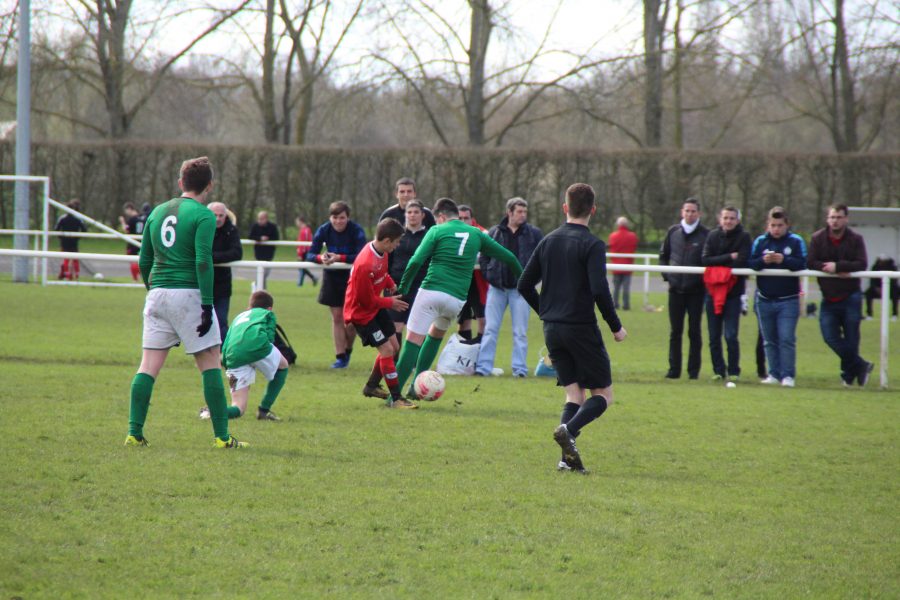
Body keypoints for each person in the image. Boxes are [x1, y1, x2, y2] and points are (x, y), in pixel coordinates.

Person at [125, 156, 246, 449]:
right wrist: (206, 305)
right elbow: (203, 261)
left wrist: (151, 290)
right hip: (188, 294)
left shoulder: (156, 212)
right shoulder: (203, 215)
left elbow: (144, 259)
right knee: (209, 365)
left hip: (157, 293)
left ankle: (134, 432)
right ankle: (222, 437)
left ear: (181, 183)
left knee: (147, 366)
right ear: (209, 185)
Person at [518, 183, 626, 474]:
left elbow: (524, 284)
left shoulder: (549, 240)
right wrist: (615, 326)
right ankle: (567, 430)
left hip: (552, 329)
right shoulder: (592, 244)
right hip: (581, 328)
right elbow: (600, 289)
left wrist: (546, 312)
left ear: (565, 208)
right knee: (603, 395)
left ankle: (566, 460)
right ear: (593, 209)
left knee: (573, 395)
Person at [394, 198, 522, 397]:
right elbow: (510, 258)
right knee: (435, 335)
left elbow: (416, 260)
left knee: (412, 342)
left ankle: (393, 396)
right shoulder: (476, 234)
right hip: (456, 301)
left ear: (442, 217)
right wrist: (524, 283)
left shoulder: (437, 231)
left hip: (431, 291)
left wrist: (403, 287)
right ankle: (415, 389)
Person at [344, 218, 416, 408]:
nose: (398, 245)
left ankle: (372, 386)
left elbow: (382, 274)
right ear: (386, 241)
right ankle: (397, 399)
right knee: (387, 350)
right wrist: (390, 303)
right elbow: (364, 300)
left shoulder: (380, 251)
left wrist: (390, 284)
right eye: (397, 241)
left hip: (375, 308)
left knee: (394, 347)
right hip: (361, 314)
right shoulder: (364, 264)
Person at [475, 197, 543, 378]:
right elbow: (484, 257)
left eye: (525, 212)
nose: (523, 215)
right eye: (519, 211)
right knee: (490, 329)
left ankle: (519, 370)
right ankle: (483, 368)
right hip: (497, 289)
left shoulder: (534, 234)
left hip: (521, 292)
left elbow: (542, 260)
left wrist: (530, 282)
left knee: (520, 332)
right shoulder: (494, 232)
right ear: (509, 212)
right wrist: (489, 275)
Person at [807, 203, 873, 386]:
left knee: (852, 339)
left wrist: (838, 267)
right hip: (828, 296)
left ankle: (849, 377)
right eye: (832, 217)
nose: (835, 221)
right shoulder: (818, 238)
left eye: (839, 217)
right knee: (830, 337)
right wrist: (828, 269)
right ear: (827, 219)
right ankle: (861, 365)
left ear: (846, 218)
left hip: (851, 295)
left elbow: (862, 264)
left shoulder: (855, 239)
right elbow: (811, 262)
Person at [199, 290, 289, 422]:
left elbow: (228, 338)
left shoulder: (239, 316)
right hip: (258, 347)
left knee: (238, 407)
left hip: (232, 356)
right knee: (283, 366)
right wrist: (265, 353)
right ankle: (264, 410)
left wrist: (224, 359)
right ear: (269, 308)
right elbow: (270, 335)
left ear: (249, 307)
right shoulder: (267, 313)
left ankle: (212, 412)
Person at [749, 207, 807, 387]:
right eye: (773, 225)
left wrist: (784, 260)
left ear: (787, 225)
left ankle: (788, 375)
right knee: (769, 340)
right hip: (764, 299)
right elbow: (750, 263)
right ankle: (773, 374)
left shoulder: (796, 241)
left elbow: (803, 263)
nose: (776, 229)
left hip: (788, 300)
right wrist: (762, 262)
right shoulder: (760, 241)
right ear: (768, 225)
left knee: (786, 338)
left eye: (780, 225)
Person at [306, 201, 368, 368]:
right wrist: (321, 258)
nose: (338, 221)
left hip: (353, 278)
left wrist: (340, 258)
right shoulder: (324, 229)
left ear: (348, 217)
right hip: (332, 278)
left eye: (342, 218)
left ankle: (347, 351)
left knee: (352, 321)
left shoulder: (356, 230)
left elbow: (362, 255)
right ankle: (340, 357)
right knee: (337, 318)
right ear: (330, 217)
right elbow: (310, 254)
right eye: (335, 218)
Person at [377, 201, 430, 398]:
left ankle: (417, 367)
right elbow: (387, 260)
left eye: (416, 212)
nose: (413, 215)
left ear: (423, 215)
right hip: (397, 287)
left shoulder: (428, 235)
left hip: (420, 287)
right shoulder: (399, 236)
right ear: (405, 215)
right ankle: (396, 367)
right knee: (395, 328)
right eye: (409, 212)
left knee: (417, 329)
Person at [659, 198, 709, 379]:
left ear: (699, 213)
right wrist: (668, 278)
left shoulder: (706, 234)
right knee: (675, 332)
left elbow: (708, 260)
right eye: (687, 210)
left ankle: (693, 371)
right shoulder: (673, 231)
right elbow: (663, 256)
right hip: (675, 290)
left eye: (693, 211)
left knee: (694, 331)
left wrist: (700, 282)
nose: (690, 214)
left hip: (696, 292)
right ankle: (674, 370)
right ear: (682, 212)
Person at [701, 206, 751, 381]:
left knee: (730, 335)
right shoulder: (713, 236)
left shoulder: (744, 237)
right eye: (725, 218)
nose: (728, 221)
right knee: (714, 336)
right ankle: (718, 371)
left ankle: (734, 371)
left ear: (738, 220)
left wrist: (721, 265)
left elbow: (743, 261)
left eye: (732, 218)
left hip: (733, 294)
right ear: (720, 219)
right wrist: (730, 257)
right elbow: (705, 260)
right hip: (712, 293)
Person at [209, 202, 243, 343]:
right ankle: (206, 353)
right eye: (214, 215)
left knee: (221, 321)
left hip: (222, 284)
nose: (218, 218)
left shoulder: (231, 230)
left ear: (225, 215)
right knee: (201, 321)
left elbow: (236, 253)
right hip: (202, 283)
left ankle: (226, 353)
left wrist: (212, 257)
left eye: (221, 215)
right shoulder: (200, 228)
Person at [456, 204, 488, 343]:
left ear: (472, 219)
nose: (463, 221)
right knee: (463, 319)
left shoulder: (482, 233)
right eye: (460, 218)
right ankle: (463, 352)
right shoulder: (452, 232)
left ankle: (481, 355)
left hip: (478, 282)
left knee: (482, 319)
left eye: (466, 218)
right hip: (459, 282)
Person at [607, 216, 639, 310]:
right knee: (626, 287)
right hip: (628, 266)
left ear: (618, 224)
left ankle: (615, 304)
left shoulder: (613, 236)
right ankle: (626, 305)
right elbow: (633, 248)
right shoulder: (632, 236)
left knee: (616, 287)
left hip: (616, 266)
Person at [55, 199, 87, 280]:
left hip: (64, 241)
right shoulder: (78, 218)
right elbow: (84, 229)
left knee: (66, 258)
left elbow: (56, 229)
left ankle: (66, 275)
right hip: (74, 241)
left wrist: (61, 237)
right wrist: (78, 237)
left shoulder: (62, 218)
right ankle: (76, 276)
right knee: (75, 258)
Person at [248, 210, 279, 289]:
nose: (260, 221)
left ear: (266, 219)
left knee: (265, 273)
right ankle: (260, 289)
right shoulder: (255, 226)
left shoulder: (272, 227)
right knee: (261, 273)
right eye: (259, 219)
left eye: (261, 219)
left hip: (269, 254)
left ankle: (258, 287)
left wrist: (267, 239)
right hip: (259, 253)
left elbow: (276, 238)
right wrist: (260, 238)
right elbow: (250, 236)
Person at [864, 256, 898, 321]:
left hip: (891, 289)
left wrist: (887, 288)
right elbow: (872, 280)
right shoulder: (875, 267)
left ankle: (894, 314)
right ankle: (869, 315)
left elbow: (894, 281)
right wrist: (876, 288)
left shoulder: (893, 267)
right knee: (868, 293)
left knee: (895, 293)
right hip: (877, 289)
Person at [119, 202, 146, 281]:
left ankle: (135, 279)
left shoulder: (132, 219)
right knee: (140, 260)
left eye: (126, 210)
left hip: (132, 243)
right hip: (141, 242)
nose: (126, 213)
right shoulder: (142, 218)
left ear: (129, 209)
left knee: (133, 262)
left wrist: (122, 222)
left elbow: (126, 230)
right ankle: (142, 277)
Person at [295, 216, 318, 287]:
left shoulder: (305, 230)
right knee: (302, 267)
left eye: (297, 222)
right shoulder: (304, 230)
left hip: (305, 252)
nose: (296, 223)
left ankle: (300, 283)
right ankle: (313, 278)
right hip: (304, 252)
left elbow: (304, 243)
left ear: (300, 221)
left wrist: (300, 254)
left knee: (302, 267)